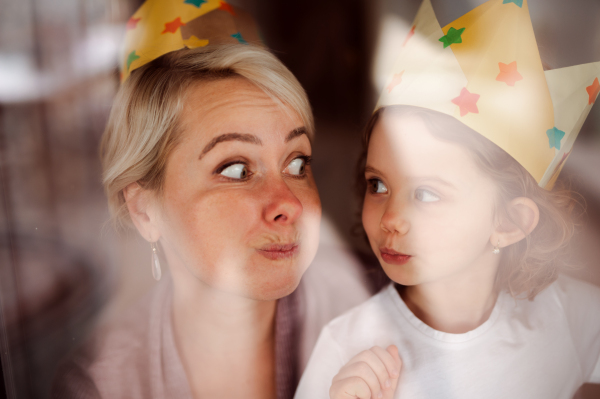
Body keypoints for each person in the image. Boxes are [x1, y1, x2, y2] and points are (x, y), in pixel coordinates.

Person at [51, 2, 371, 398]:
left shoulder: (381, 309)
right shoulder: (100, 385)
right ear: (144, 210)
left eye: (296, 162)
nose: (289, 203)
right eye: (236, 169)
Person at [294, 0, 600, 398]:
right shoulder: (347, 346)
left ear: (509, 223)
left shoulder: (573, 316)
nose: (391, 218)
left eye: (426, 193)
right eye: (378, 185)